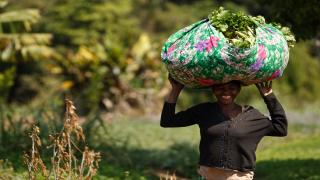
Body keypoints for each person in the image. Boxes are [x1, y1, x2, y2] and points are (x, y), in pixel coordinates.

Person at [160, 75, 288, 180]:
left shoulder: (251, 116)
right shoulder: (204, 111)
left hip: (239, 177)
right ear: (213, 90)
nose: (226, 91)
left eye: (231, 88)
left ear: (238, 90)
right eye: (220, 88)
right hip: (207, 175)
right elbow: (167, 121)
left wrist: (269, 96)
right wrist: (175, 91)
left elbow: (280, 128)